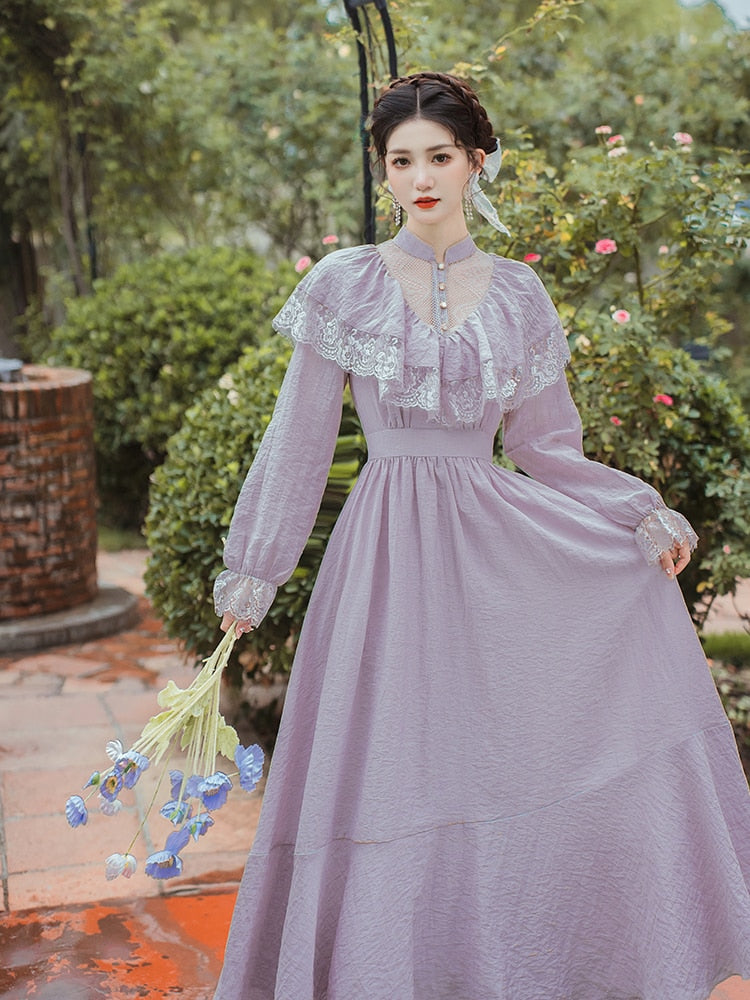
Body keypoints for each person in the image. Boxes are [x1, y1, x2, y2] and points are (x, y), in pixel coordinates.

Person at [211, 72, 750, 1000]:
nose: (421, 177)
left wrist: (636, 510)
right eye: (401, 160)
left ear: (475, 164)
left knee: (491, 761)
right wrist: (252, 570)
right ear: (383, 174)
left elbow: (546, 447)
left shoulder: (518, 295)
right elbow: (296, 443)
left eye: (439, 157)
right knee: (394, 771)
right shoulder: (346, 286)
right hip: (384, 556)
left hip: (497, 554)